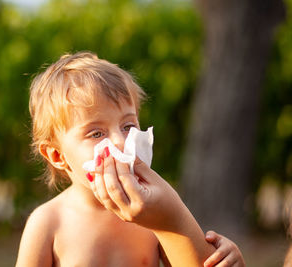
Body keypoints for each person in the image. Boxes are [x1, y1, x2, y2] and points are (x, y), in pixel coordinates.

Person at [15, 52, 245, 267]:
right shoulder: (48, 223)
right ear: (57, 155)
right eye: (96, 133)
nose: (120, 141)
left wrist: (221, 258)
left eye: (128, 126)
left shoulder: (154, 213)